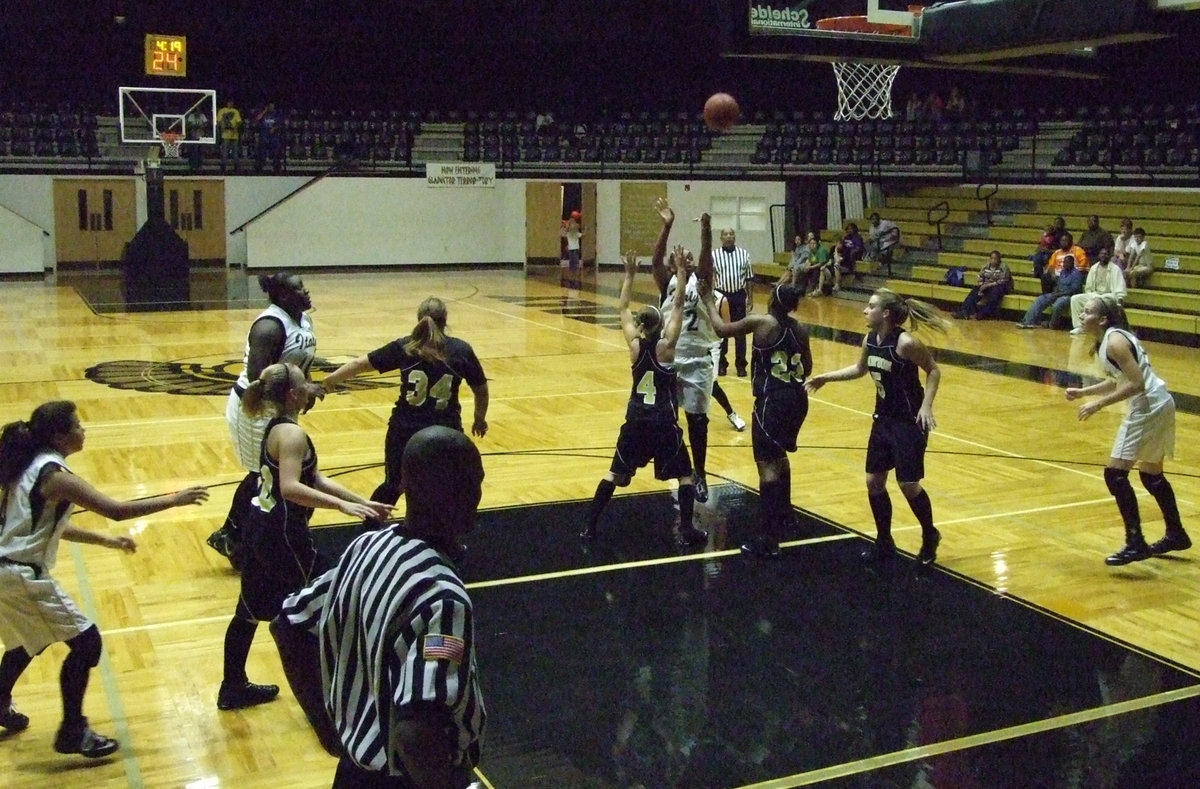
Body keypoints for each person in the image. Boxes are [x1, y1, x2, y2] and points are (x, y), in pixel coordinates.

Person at [271, 426, 487, 787]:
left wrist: (328, 729)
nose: (479, 493)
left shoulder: (367, 547)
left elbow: (288, 624)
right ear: (461, 493)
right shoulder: (443, 599)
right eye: (475, 482)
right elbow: (416, 731)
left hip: (354, 771)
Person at [0, 401, 208, 756]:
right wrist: (176, 499)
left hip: (7, 570)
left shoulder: (29, 467)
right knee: (87, 644)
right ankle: (72, 731)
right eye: (78, 425)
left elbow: (49, 527)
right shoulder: (57, 476)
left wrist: (106, 542)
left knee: (24, 642)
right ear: (61, 436)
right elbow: (116, 510)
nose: (84, 430)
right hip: (21, 575)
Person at [218, 363, 391, 712]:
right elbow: (292, 487)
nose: (311, 386)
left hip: (260, 529)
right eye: (305, 382)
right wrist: (343, 507)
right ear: (294, 395)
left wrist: (361, 501)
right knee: (330, 601)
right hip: (283, 536)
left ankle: (232, 686)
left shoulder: (278, 427)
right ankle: (330, 696)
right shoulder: (292, 435)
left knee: (248, 611)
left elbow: (317, 479)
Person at [805, 289, 950, 568]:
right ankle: (884, 541)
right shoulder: (870, 339)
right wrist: (826, 377)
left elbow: (933, 370)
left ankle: (930, 535)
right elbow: (860, 369)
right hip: (883, 419)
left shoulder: (906, 343)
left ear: (885, 313)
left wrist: (927, 406)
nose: (864, 311)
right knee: (873, 481)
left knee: (908, 484)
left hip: (909, 422)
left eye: (870, 306)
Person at [582, 249, 706, 548]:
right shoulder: (666, 347)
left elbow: (623, 309)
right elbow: (678, 304)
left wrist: (628, 275)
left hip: (636, 420)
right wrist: (680, 271)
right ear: (659, 325)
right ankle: (687, 530)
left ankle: (589, 527)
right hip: (663, 422)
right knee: (686, 477)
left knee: (615, 475)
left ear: (640, 326)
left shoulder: (634, 346)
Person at [321, 297, 489, 509]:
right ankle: (443, 531)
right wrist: (479, 418)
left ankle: (371, 526)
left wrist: (330, 380)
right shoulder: (461, 350)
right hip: (445, 429)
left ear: (418, 319)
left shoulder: (404, 347)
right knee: (447, 483)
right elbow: (480, 388)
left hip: (405, 428)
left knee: (394, 484)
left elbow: (359, 364)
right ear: (445, 321)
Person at [1065, 299, 1190, 565]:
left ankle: (1136, 543)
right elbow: (1117, 380)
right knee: (1151, 475)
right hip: (1159, 403)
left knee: (1115, 474)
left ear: (1102, 320)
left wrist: (1098, 404)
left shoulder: (1114, 342)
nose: (1082, 314)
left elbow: (1136, 383)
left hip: (1147, 407)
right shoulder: (1106, 340)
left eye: (1087, 311)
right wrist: (1084, 392)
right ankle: (1176, 534)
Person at [210, 272, 321, 568]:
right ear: (283, 296)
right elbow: (258, 377)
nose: (306, 292)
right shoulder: (269, 327)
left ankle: (248, 536)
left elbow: (301, 363)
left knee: (267, 473)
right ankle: (233, 537)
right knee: (261, 474)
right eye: (299, 288)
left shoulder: (304, 320)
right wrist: (299, 393)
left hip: (281, 405)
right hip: (255, 407)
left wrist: (305, 388)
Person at [700, 281, 811, 558]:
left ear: (773, 300)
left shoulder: (762, 322)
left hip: (771, 402)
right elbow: (807, 367)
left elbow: (720, 329)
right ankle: (787, 517)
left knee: (767, 469)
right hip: (797, 400)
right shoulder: (802, 329)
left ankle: (769, 539)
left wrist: (709, 301)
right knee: (781, 456)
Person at [710, 226, 754, 377]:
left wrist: (750, 298)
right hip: (722, 296)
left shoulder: (744, 254)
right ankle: (722, 364)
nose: (729, 236)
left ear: (735, 237)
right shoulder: (714, 255)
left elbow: (749, 278)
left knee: (740, 331)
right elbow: (711, 278)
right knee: (722, 331)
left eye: (731, 234)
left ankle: (741, 365)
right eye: (725, 234)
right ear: (721, 238)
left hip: (739, 295)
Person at [1016, 255, 1085, 329]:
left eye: (1067, 262)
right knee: (1040, 299)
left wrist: (1059, 294)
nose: (1064, 264)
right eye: (1064, 262)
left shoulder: (1077, 274)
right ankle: (1028, 321)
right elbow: (1059, 285)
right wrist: (1055, 293)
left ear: (1072, 263)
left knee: (1057, 305)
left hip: (1069, 296)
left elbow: (1074, 290)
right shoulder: (1063, 272)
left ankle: (1052, 324)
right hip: (1059, 293)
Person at [1069, 248, 1126, 334]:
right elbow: (1088, 287)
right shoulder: (1094, 268)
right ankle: (1080, 326)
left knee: (1104, 299)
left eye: (1106, 254)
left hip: (1109, 296)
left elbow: (1119, 288)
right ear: (1099, 255)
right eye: (1102, 254)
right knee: (1075, 299)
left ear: (1110, 256)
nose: (1103, 256)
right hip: (1095, 295)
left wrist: (1120, 299)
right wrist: (1090, 295)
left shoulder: (1115, 269)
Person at [957, 250, 1011, 320]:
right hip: (987, 284)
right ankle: (964, 311)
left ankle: (981, 314)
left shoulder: (1004, 267)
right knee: (975, 291)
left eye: (995, 259)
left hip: (1000, 286)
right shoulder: (986, 266)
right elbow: (980, 276)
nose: (993, 261)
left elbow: (1003, 280)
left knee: (994, 294)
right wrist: (981, 284)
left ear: (999, 260)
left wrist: (988, 285)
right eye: (992, 258)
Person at [216, 98, 243, 173]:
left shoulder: (235, 111)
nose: (230, 104)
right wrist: (223, 127)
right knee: (225, 152)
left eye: (232, 103)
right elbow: (219, 121)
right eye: (229, 102)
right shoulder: (222, 111)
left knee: (235, 152)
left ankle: (236, 168)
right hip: (225, 135)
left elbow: (239, 121)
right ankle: (223, 168)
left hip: (234, 135)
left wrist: (235, 127)